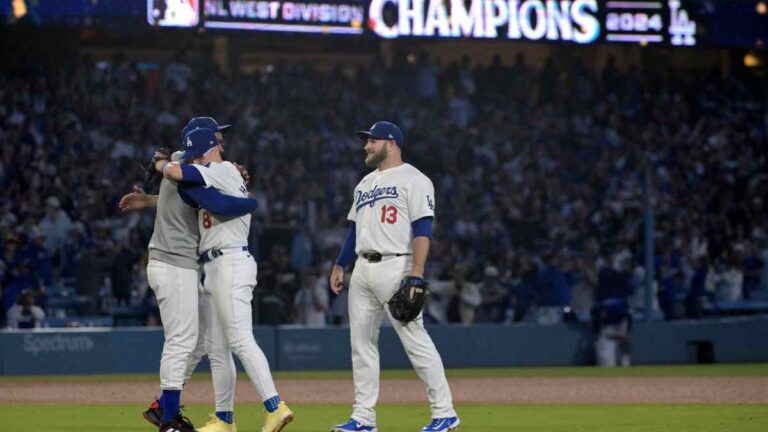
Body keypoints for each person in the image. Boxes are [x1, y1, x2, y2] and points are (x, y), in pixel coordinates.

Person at [120, 117, 257, 432]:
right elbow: (180, 176)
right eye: (217, 134)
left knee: (198, 343)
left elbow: (183, 200)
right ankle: (168, 421)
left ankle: (161, 407)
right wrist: (160, 162)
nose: (221, 139)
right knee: (181, 340)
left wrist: (148, 200)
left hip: (181, 264)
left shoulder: (201, 169)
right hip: (172, 263)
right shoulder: (184, 163)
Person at [156, 127, 294, 432]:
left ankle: (275, 406)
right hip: (215, 265)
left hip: (231, 260)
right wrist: (249, 204)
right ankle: (224, 419)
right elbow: (202, 198)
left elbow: (182, 178)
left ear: (204, 151)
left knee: (241, 339)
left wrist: (161, 165)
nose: (193, 159)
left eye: (194, 153)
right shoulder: (218, 173)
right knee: (216, 348)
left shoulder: (221, 168)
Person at [329, 121, 460, 432]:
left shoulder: (415, 179)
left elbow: (423, 230)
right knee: (360, 344)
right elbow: (354, 230)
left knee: (415, 340)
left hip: (396, 266)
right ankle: (363, 419)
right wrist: (339, 265)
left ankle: (445, 412)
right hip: (362, 268)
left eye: (371, 141)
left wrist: (416, 274)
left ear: (391, 143)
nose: (366, 147)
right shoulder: (363, 184)